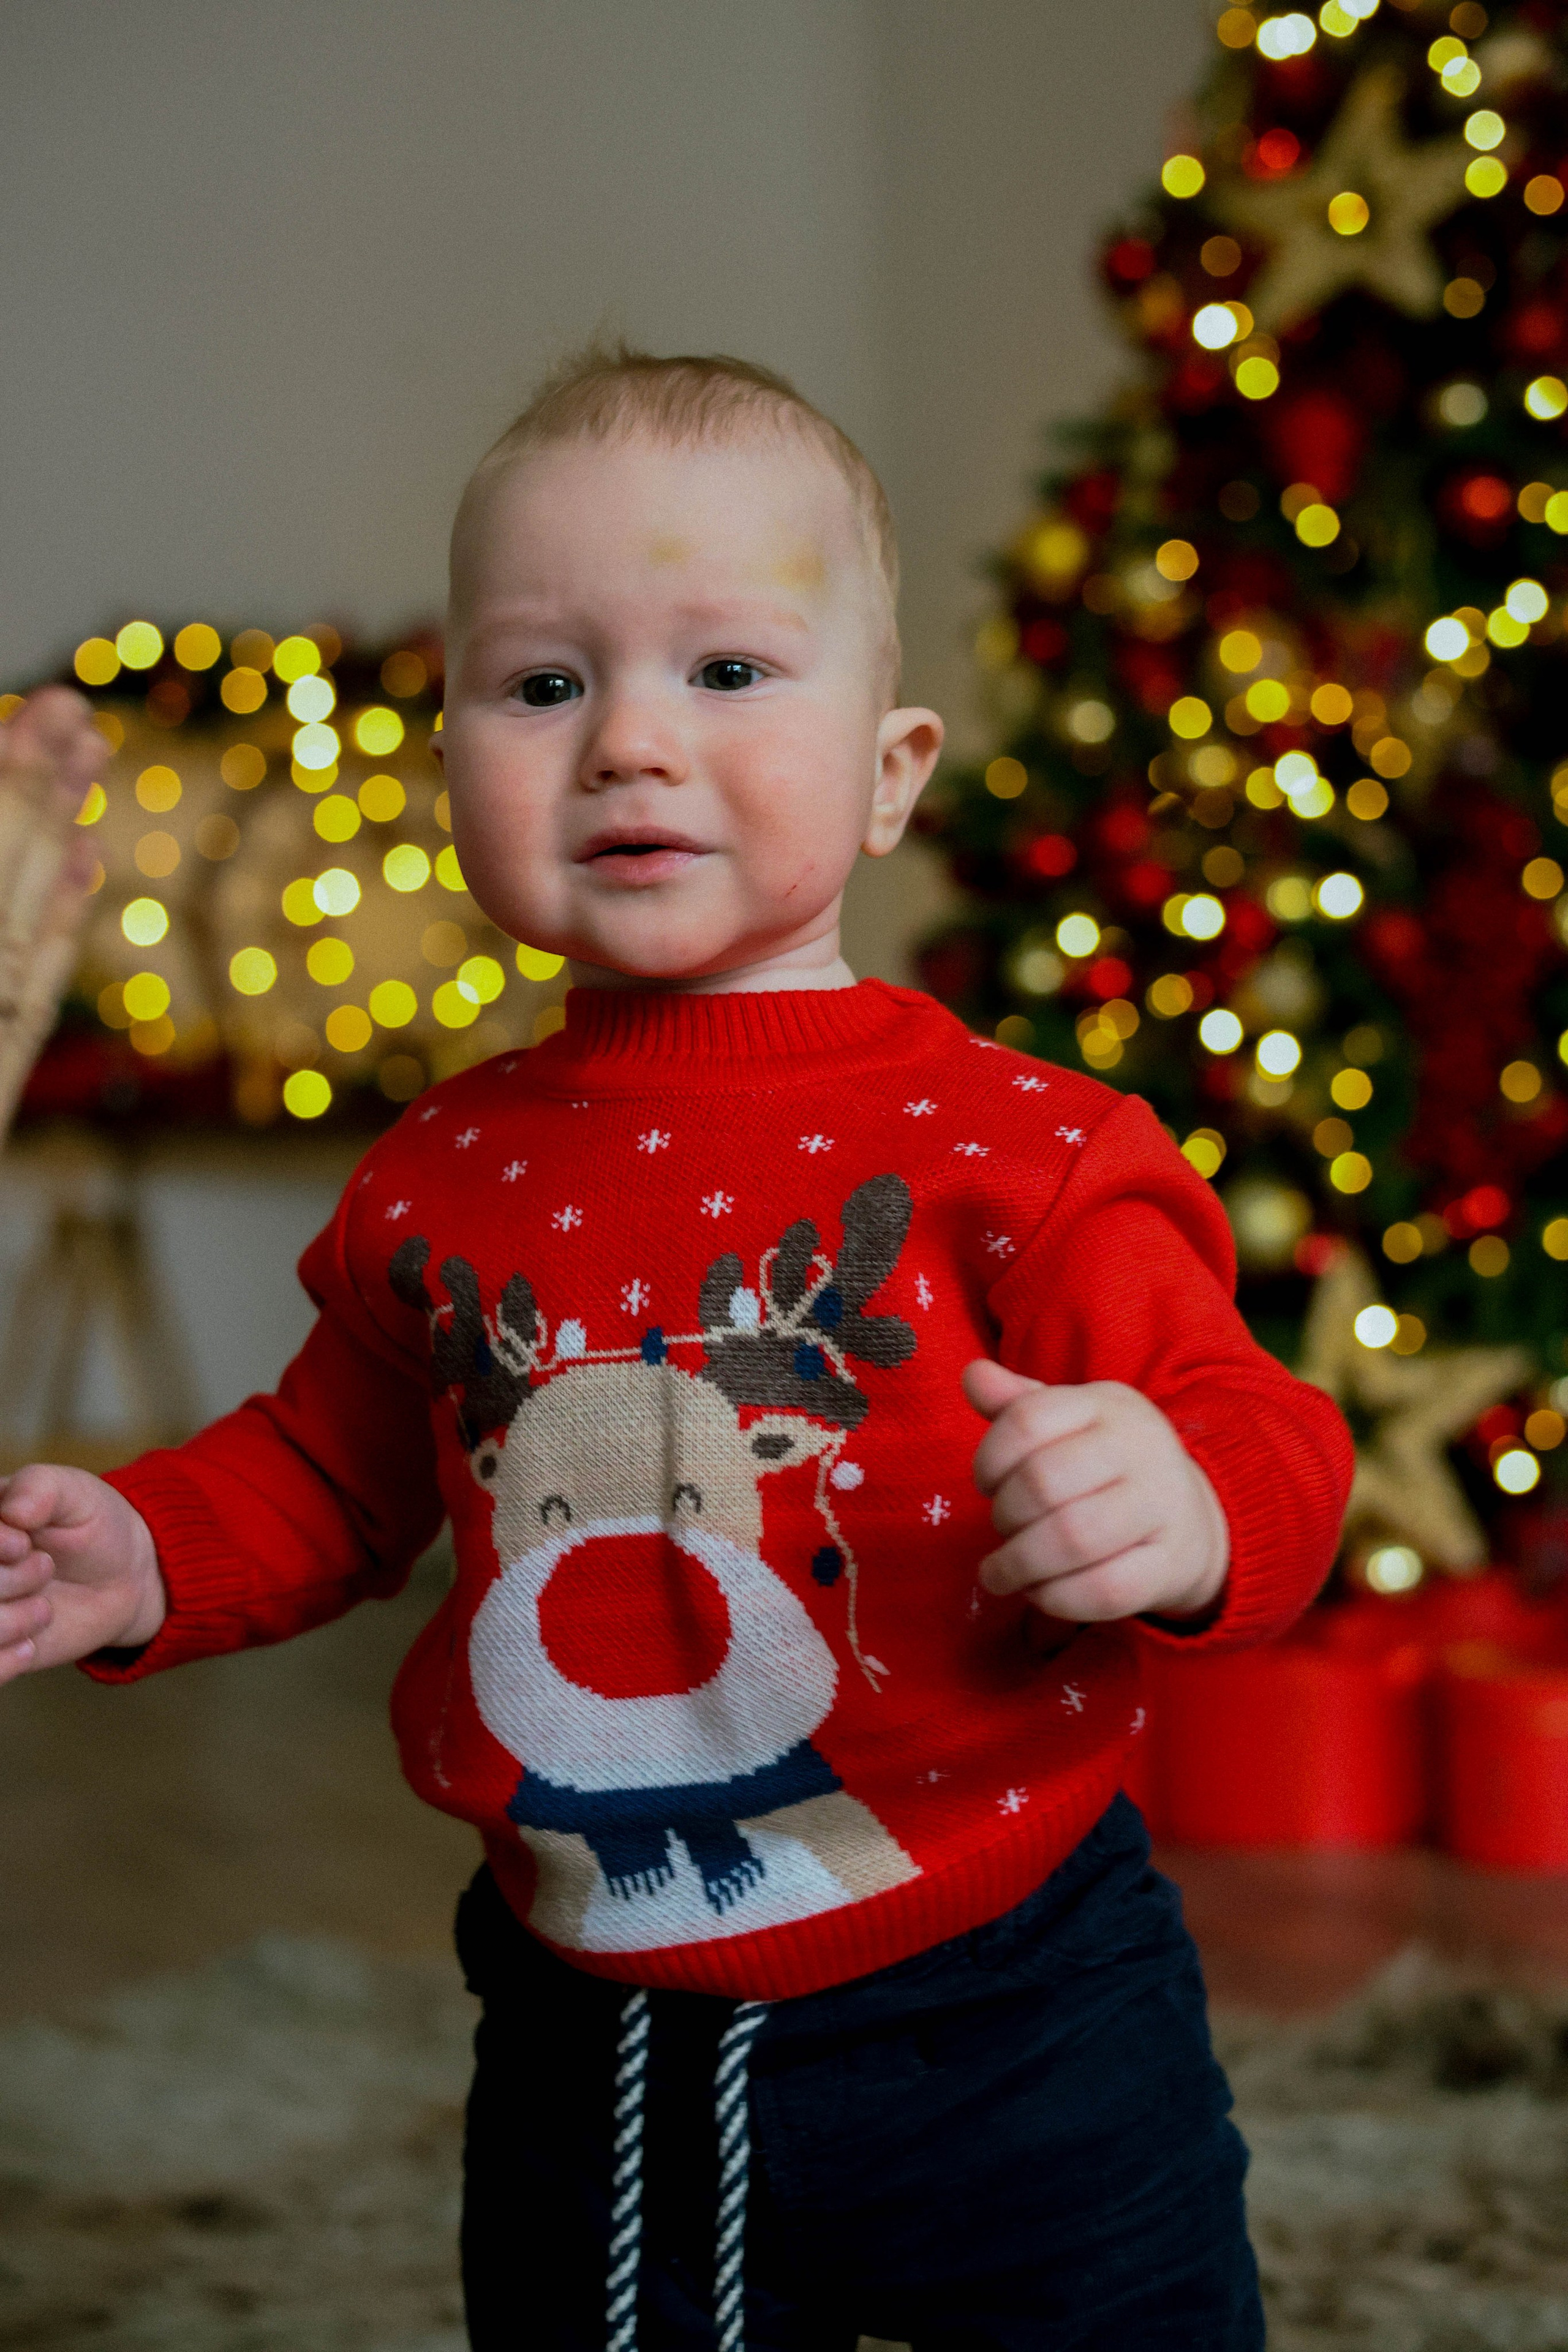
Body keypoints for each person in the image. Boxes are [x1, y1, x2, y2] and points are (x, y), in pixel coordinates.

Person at [0, 348, 1351, 2351]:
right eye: (544, 684)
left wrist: (1186, 1501)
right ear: (451, 759)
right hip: (605, 2023)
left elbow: (1264, 1433)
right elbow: (327, 1474)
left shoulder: (1028, 1154)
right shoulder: (436, 1173)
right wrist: (141, 1551)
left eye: (727, 671)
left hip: (1025, 2002)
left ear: (890, 771)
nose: (630, 740)